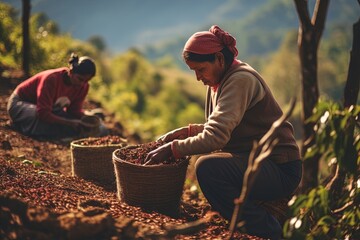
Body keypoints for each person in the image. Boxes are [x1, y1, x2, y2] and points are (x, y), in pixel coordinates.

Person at [144, 25, 302, 239]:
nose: (198, 78)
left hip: (279, 168)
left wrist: (173, 149)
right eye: (194, 71)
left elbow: (216, 137)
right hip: (255, 160)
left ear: (219, 58)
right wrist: (186, 132)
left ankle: (267, 230)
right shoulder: (218, 80)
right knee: (210, 163)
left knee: (208, 167)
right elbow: (221, 128)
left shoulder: (240, 80)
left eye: (201, 70)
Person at [7, 53, 108, 140]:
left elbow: (73, 111)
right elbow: (42, 113)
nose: (83, 84)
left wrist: (86, 118)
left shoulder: (84, 86)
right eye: (80, 79)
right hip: (21, 103)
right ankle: (19, 125)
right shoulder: (51, 79)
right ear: (71, 72)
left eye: (87, 81)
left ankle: (29, 126)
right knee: (41, 120)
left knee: (71, 125)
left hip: (51, 108)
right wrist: (70, 123)